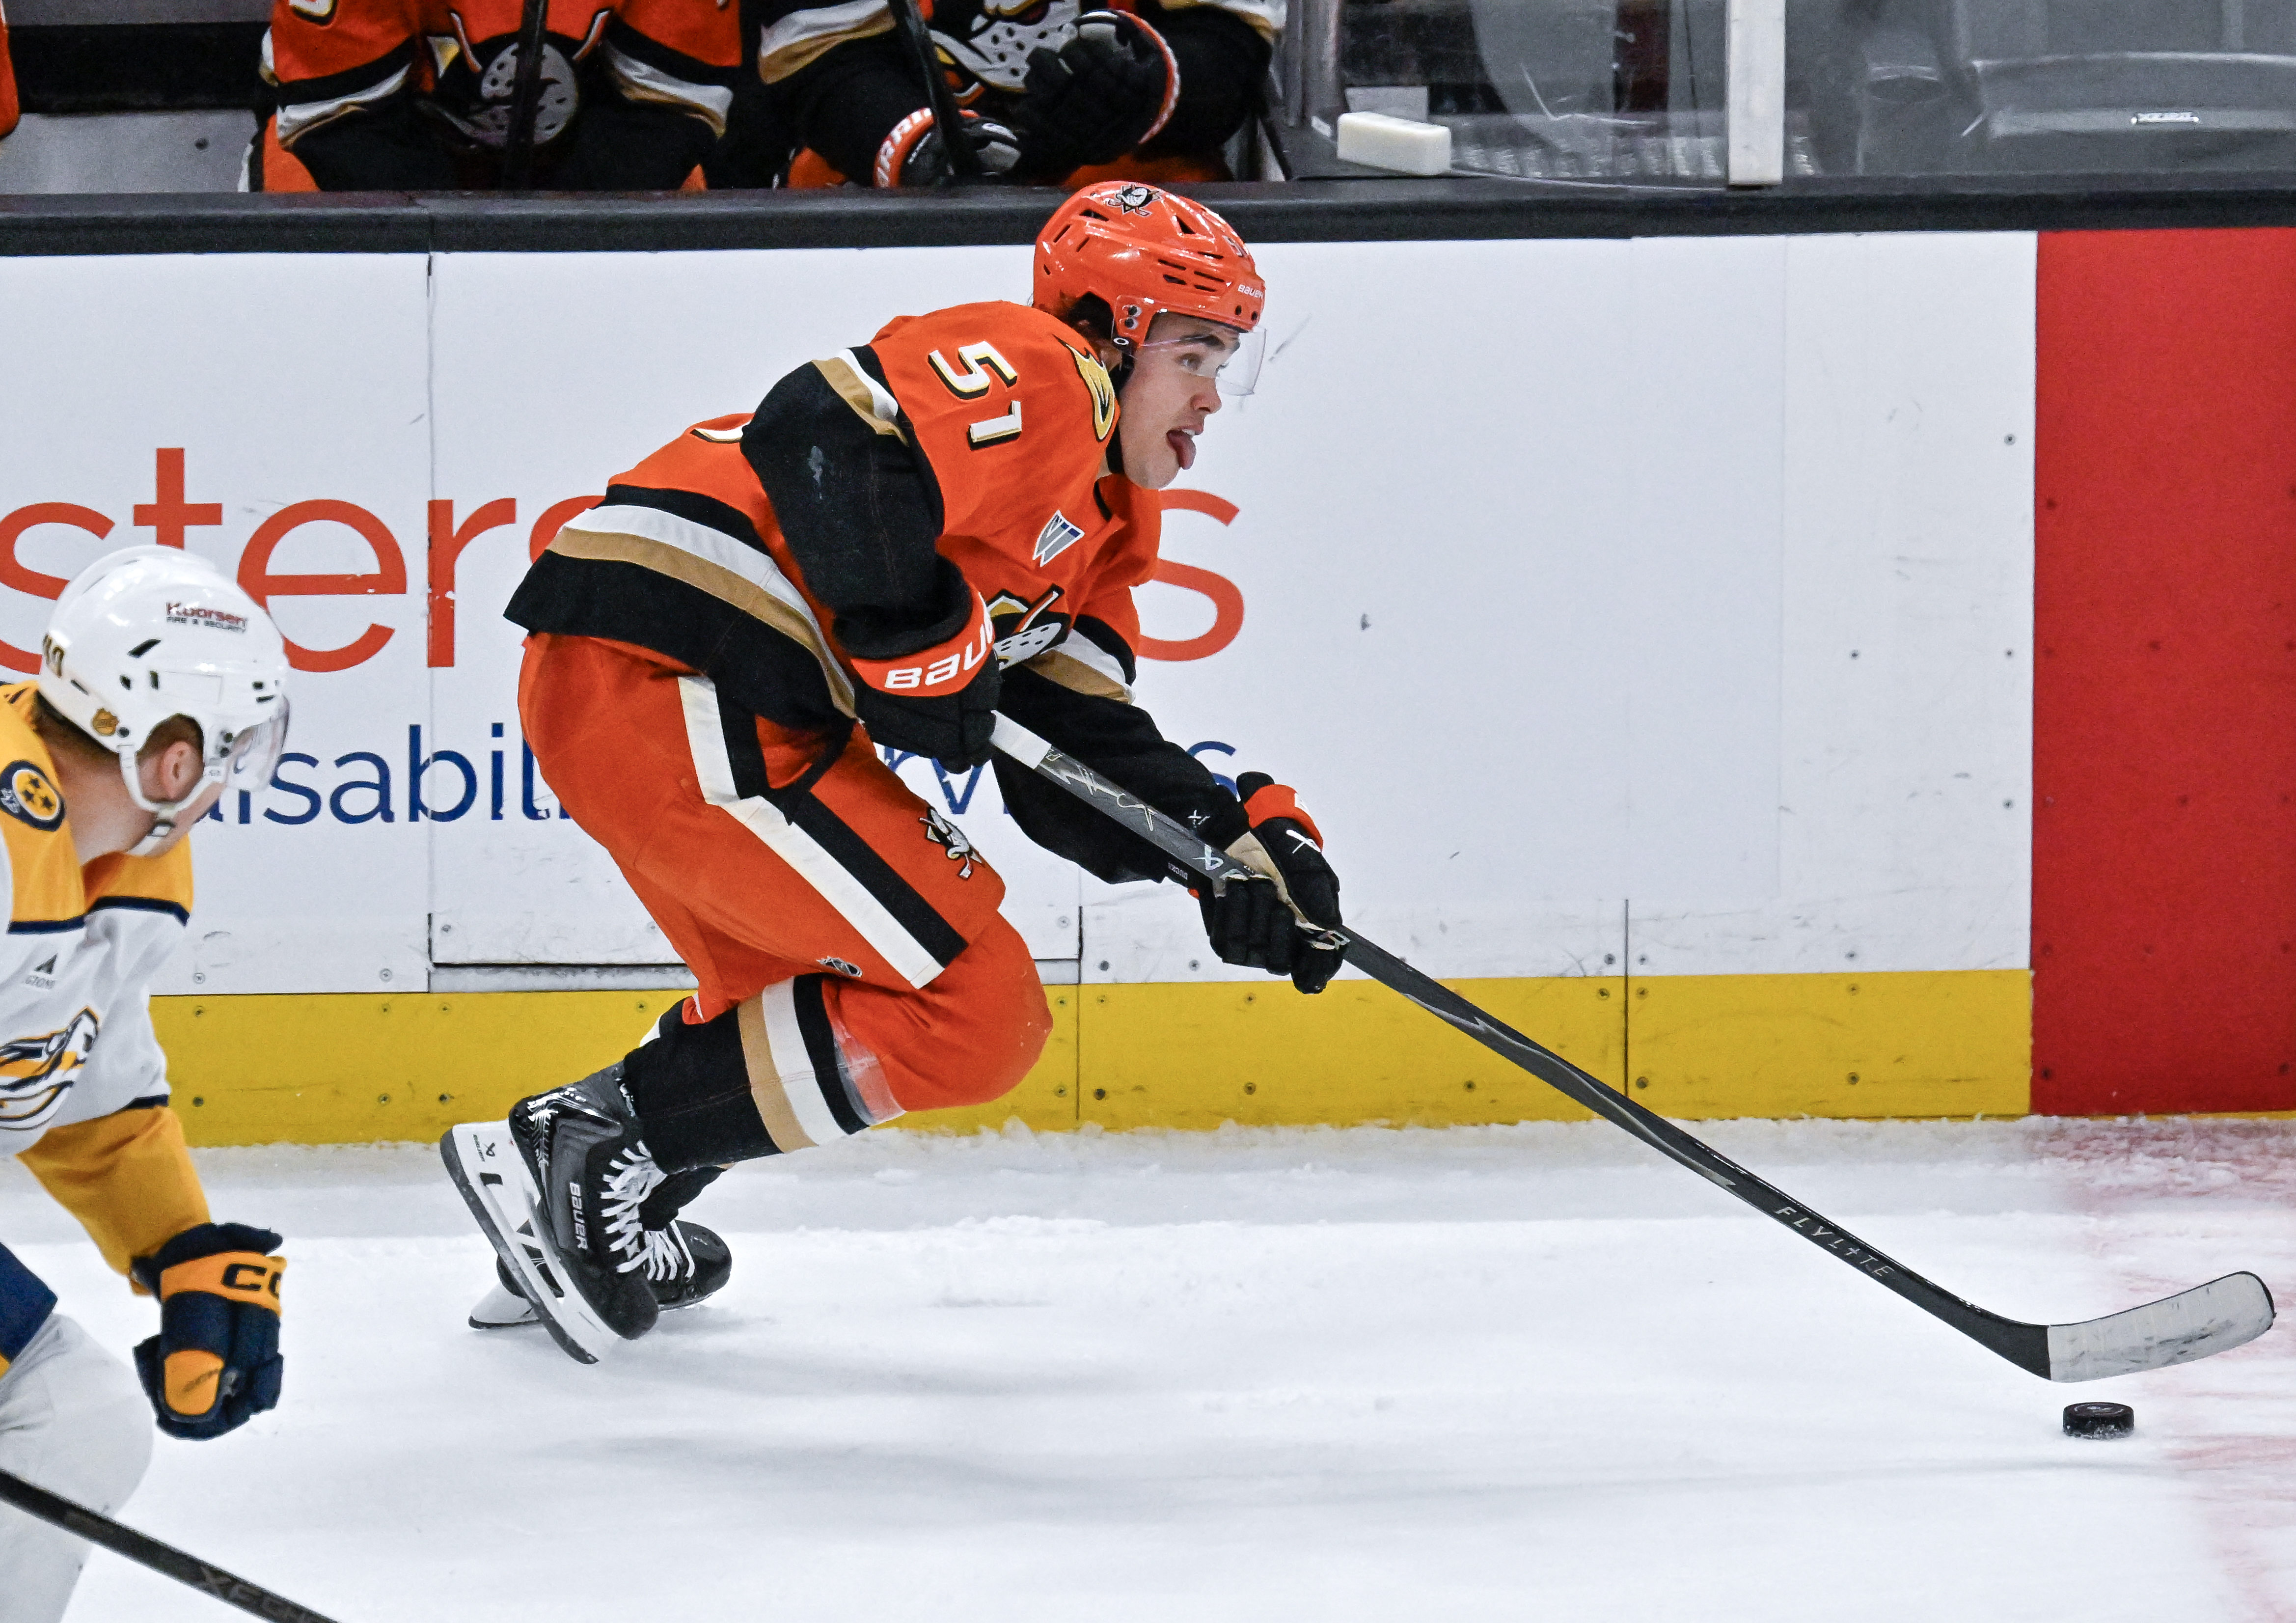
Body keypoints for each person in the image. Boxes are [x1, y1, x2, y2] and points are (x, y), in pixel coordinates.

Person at [441, 182, 1341, 1359]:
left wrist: (1224, 846)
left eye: (1230, 360)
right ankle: (592, 1144)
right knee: (978, 1009)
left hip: (716, 704)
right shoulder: (1044, 370)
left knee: (797, 1000)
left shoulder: (1116, 528)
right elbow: (822, 429)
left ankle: (596, 1202)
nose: (1216, 396)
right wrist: (917, 634)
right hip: (677, 661)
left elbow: (1064, 742)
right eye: (1195, 353)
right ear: (1114, 335)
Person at [0, 549, 293, 1623]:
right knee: (63, 1409)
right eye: (234, 750)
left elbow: (74, 1086)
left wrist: (178, 1247)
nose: (230, 781)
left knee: (73, 1416)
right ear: (172, 758)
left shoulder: (106, 865)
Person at [765, 0, 1276, 188]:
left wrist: (1147, 82)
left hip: (1131, 175)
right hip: (888, 184)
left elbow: (1228, 45)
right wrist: (919, 145)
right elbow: (817, 56)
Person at [251, 0, 741, 192]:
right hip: (379, 172)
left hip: (603, 176)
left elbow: (669, 109)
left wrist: (556, 243)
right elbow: (339, 121)